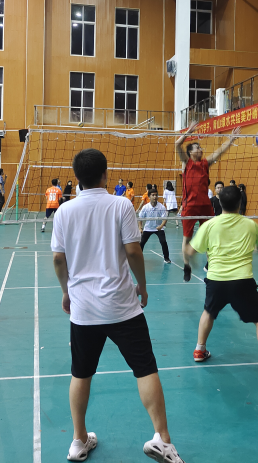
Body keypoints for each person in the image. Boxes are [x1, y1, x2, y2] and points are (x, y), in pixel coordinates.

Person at [51, 149, 184, 463]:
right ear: (105, 175)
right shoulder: (121, 204)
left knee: (81, 373)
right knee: (145, 369)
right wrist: (143, 286)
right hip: (122, 306)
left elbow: (58, 259)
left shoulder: (64, 211)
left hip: (83, 309)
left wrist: (66, 291)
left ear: (77, 178)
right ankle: (163, 439)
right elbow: (134, 252)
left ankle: (78, 440)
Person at [186, 186, 258, 375]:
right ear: (240, 203)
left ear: (219, 203)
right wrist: (255, 245)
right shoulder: (250, 225)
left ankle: (199, 350)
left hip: (216, 280)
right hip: (242, 281)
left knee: (208, 313)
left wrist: (190, 260)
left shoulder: (208, 225)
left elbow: (190, 251)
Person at [176, 121, 240, 282]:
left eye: (200, 147)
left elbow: (219, 152)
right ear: (190, 152)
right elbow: (177, 144)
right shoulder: (186, 162)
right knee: (187, 238)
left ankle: (211, 266)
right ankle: (186, 266)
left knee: (210, 237)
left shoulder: (205, 163)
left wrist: (230, 140)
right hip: (189, 206)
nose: (200, 149)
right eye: (197, 147)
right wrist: (188, 133)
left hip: (205, 205)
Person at [139, 189, 171, 264]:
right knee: (141, 242)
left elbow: (165, 219)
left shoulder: (161, 207)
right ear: (149, 197)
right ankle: (138, 258)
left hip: (158, 228)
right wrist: (140, 227)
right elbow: (140, 218)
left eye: (156, 195)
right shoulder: (145, 207)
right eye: (153, 195)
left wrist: (161, 226)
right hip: (148, 228)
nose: (155, 197)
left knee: (163, 242)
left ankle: (166, 258)